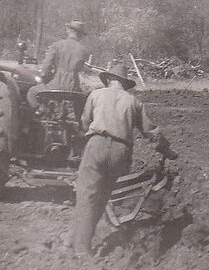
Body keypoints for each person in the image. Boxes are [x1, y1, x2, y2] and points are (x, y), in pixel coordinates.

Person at [66, 60, 174, 255]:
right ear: (124, 83)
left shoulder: (96, 94)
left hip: (97, 144)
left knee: (86, 195)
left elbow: (84, 122)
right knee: (102, 196)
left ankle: (80, 248)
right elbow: (151, 132)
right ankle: (74, 239)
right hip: (121, 152)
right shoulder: (134, 102)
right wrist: (168, 151)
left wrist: (85, 135)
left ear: (108, 79)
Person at [26, 20, 90, 107]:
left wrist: (44, 76)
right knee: (82, 100)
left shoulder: (57, 45)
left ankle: (38, 112)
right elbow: (80, 68)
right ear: (81, 35)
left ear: (69, 30)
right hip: (73, 88)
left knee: (32, 92)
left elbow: (45, 70)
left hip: (55, 85)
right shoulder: (83, 50)